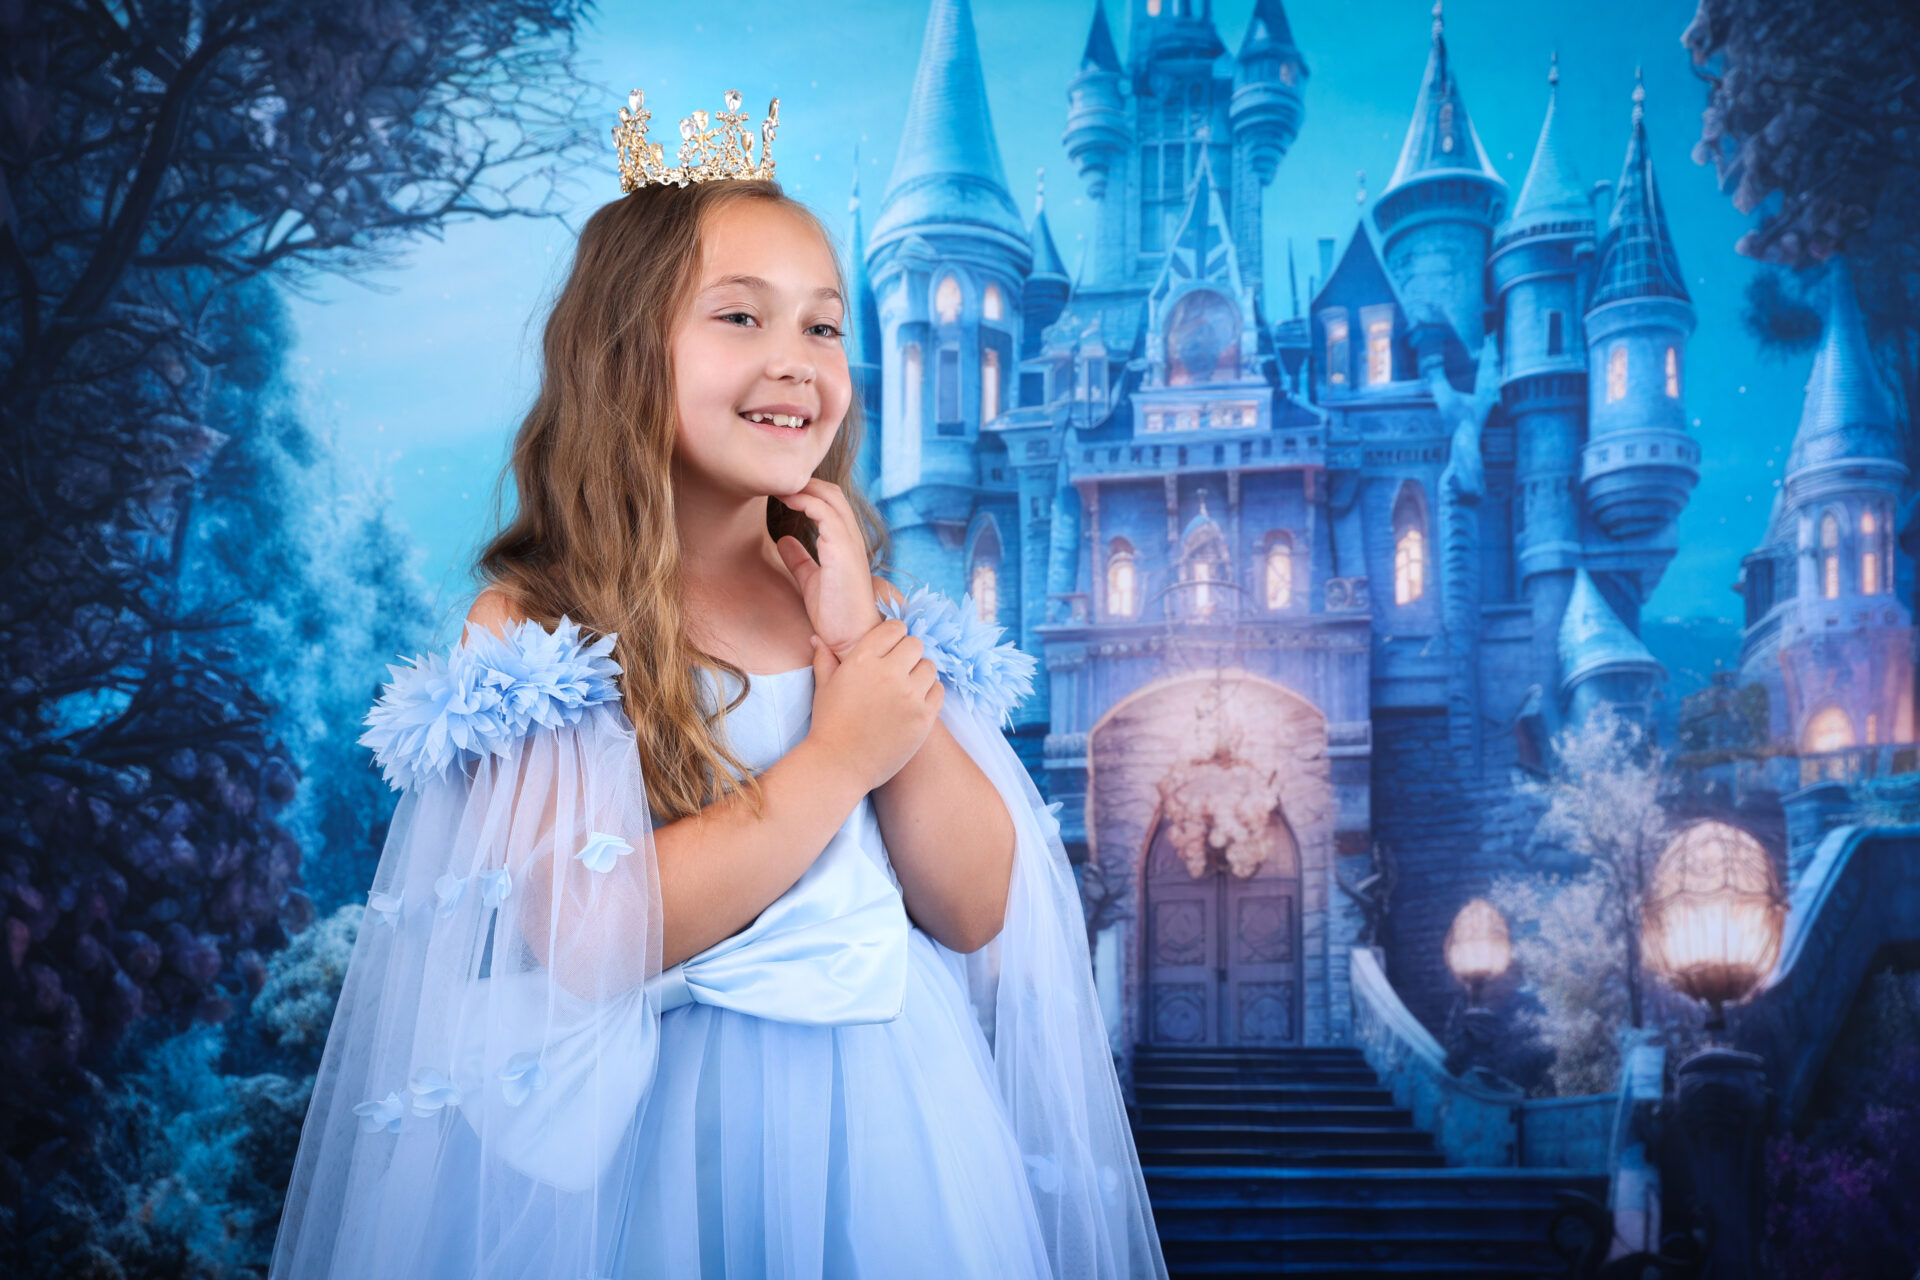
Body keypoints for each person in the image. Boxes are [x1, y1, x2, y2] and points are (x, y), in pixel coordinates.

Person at [268, 89, 1166, 1280]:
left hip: (888, 1123)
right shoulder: (540, 622)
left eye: (826, 328)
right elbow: (592, 934)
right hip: (649, 1144)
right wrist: (836, 757)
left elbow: (972, 903)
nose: (796, 364)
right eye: (741, 317)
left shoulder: (862, 604)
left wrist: (855, 637)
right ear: (626, 352)